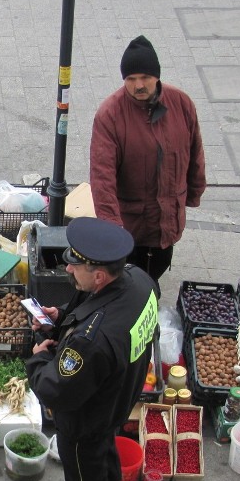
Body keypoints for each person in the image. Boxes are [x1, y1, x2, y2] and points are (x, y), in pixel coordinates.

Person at [24, 217, 159, 481]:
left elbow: (55, 390)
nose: (66, 268)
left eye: (74, 265)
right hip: (118, 399)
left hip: (86, 421)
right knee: (104, 469)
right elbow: (96, 309)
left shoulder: (90, 343)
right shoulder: (139, 281)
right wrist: (61, 320)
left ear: (99, 275)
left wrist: (37, 358)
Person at [89, 34, 206, 292]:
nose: (138, 85)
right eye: (130, 79)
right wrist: (111, 228)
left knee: (157, 270)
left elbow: (195, 151)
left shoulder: (182, 104)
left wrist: (194, 192)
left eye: (144, 78)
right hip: (131, 226)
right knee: (128, 284)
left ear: (157, 76)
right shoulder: (110, 115)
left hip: (167, 222)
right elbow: (102, 176)